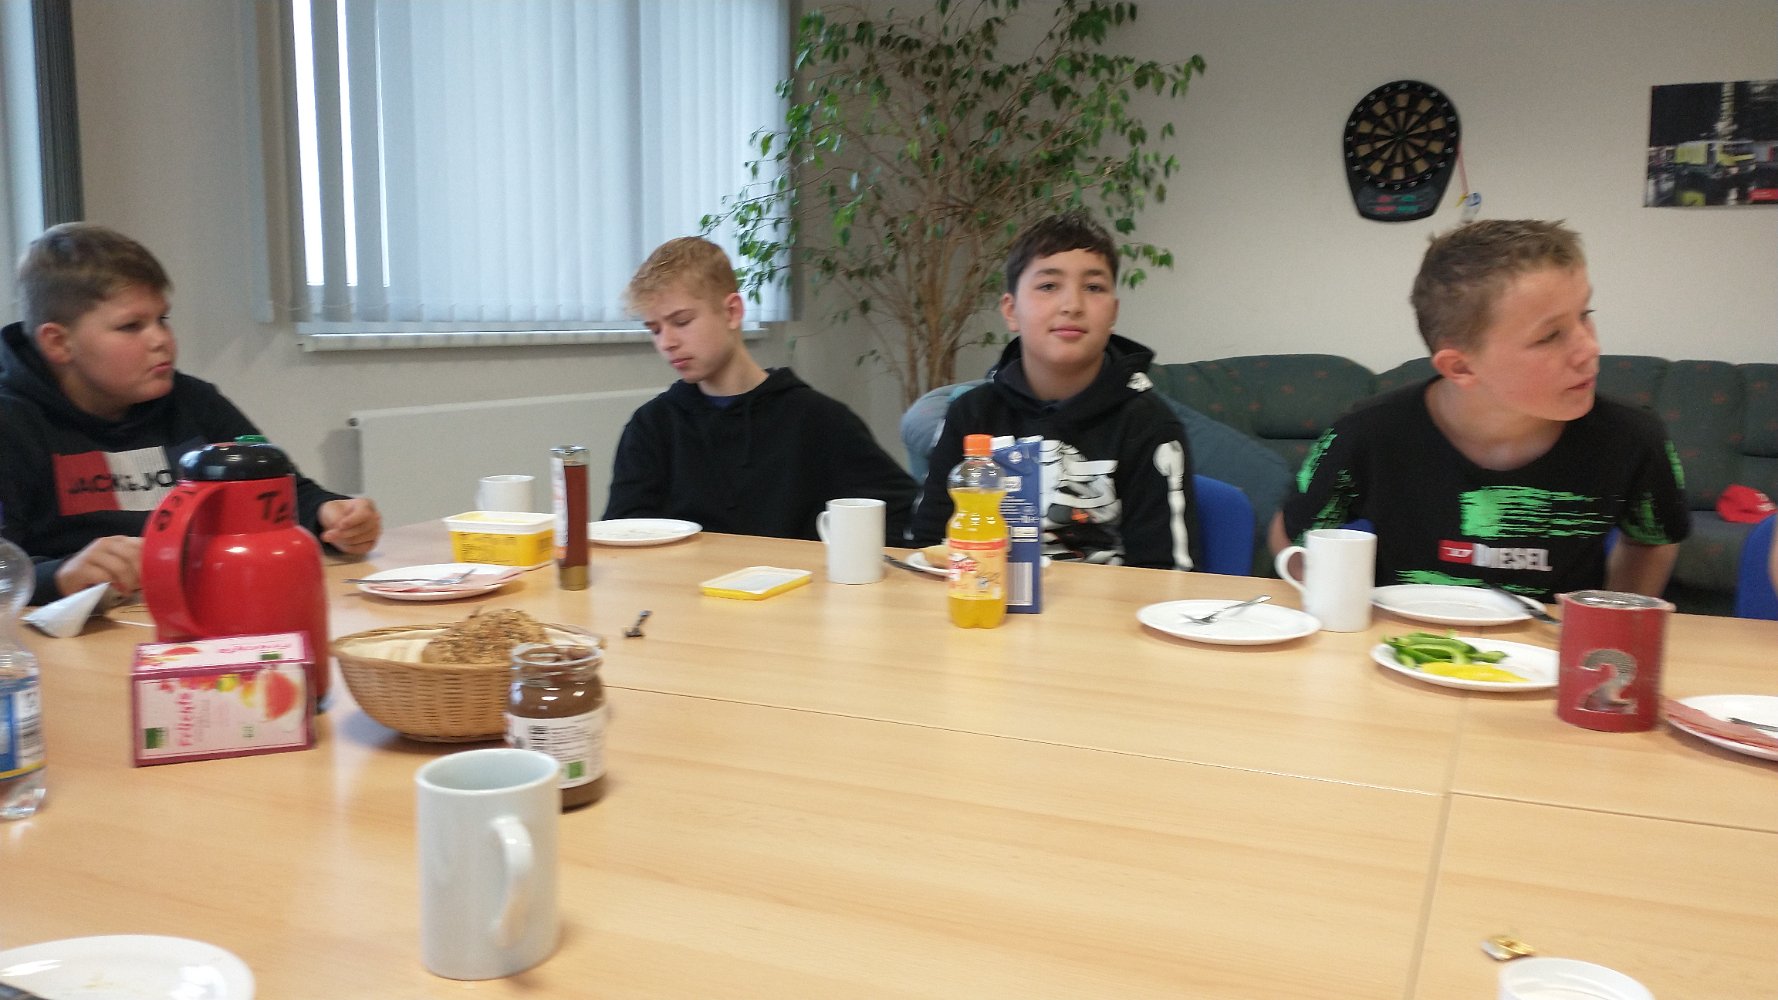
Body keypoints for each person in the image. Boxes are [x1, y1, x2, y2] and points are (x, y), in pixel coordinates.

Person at [1269, 219, 1689, 601]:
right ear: (1461, 367)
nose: (1589, 348)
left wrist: (1610, 620)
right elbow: (1292, 535)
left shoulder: (1633, 439)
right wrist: (1339, 606)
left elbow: (1651, 539)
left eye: (1586, 315)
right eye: (1550, 336)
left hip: (1553, 649)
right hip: (1408, 645)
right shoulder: (1367, 434)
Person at [0, 223, 380, 606]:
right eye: (131, 326)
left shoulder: (193, 401)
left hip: (201, 607)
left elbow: (282, 492)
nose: (161, 340)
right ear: (59, 343)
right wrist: (61, 576)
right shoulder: (12, 422)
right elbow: (4, 568)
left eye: (162, 319)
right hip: (77, 632)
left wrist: (333, 516)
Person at [906, 211, 1201, 570]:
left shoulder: (1149, 424)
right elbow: (928, 545)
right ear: (1011, 311)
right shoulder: (970, 414)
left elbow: (1167, 573)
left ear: (1113, 313)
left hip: (1106, 603)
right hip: (982, 596)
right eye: (1048, 286)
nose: (1072, 305)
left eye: (1093, 288)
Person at [603, 236, 915, 541]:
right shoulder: (651, 427)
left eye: (682, 321)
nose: (666, 342)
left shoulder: (818, 420)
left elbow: (900, 515)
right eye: (655, 329)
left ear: (732, 312)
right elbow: (623, 534)